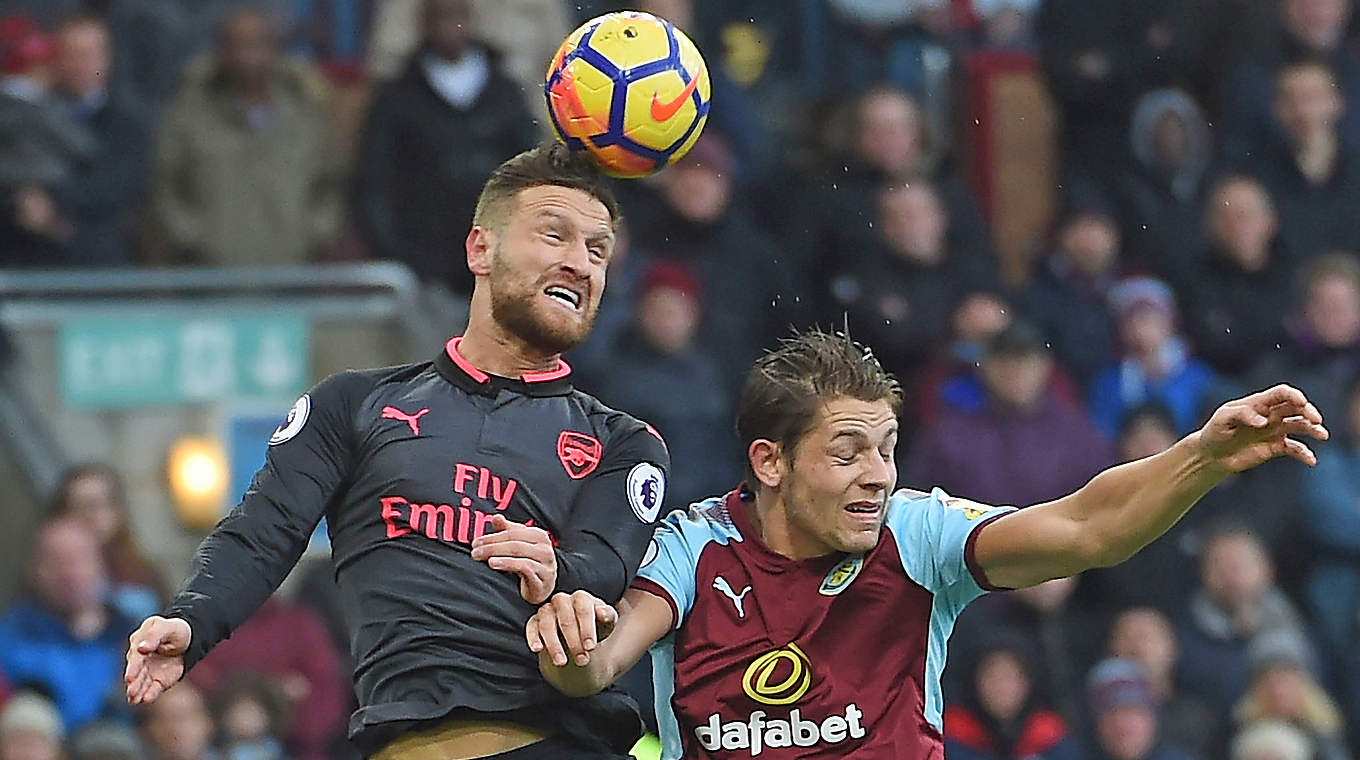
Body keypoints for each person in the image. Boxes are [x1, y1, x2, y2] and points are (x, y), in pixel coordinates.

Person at [523, 329, 1327, 759]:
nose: (876, 474)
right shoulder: (694, 546)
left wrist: (1202, 456)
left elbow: (1089, 527)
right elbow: (599, 661)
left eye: (887, 446)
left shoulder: (915, 533)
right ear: (769, 461)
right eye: (846, 452)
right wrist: (566, 645)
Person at [125, 142, 671, 760]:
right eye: (555, 236)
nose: (581, 263)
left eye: (597, 250)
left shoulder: (623, 443)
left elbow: (603, 567)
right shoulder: (351, 405)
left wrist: (558, 575)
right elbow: (265, 530)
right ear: (480, 249)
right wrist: (191, 620)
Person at [149, 8, 342, 267]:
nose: (247, 56)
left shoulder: (304, 116)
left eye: (256, 44)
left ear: (274, 50)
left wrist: (314, 233)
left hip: (290, 273)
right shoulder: (189, 116)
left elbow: (331, 183)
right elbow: (166, 186)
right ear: (221, 53)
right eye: (237, 45)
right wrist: (192, 237)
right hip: (210, 275)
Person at [0, 516, 138, 731]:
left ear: (100, 564)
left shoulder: (135, 638)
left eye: (78, 559)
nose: (68, 573)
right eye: (55, 561)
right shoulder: (11, 642)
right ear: (35, 570)